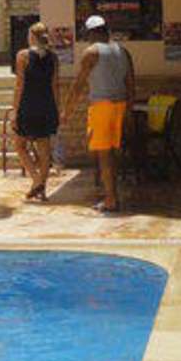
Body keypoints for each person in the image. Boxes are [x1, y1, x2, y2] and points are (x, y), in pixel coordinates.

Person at [62, 14, 135, 214]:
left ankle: (110, 199)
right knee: (113, 153)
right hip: (119, 105)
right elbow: (130, 84)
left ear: (91, 33)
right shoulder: (123, 51)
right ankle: (112, 195)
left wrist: (67, 111)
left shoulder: (91, 52)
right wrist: (129, 111)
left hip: (101, 106)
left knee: (103, 154)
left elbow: (78, 85)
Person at [12, 23, 60, 201]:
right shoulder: (53, 58)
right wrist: (57, 109)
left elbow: (20, 85)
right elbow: (55, 85)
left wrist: (15, 110)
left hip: (28, 105)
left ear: (31, 36)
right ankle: (41, 188)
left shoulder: (23, 56)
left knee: (19, 145)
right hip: (47, 105)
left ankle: (37, 180)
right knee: (44, 148)